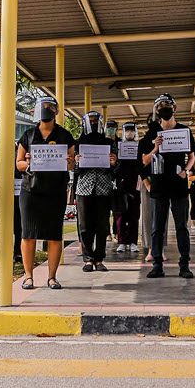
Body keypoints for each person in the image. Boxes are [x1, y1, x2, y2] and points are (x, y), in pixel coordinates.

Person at [16, 96, 75, 290]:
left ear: (57, 111)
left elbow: (72, 162)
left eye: (51, 107)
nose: (47, 109)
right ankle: (28, 276)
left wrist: (69, 162)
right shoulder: (28, 134)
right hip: (30, 191)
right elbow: (19, 164)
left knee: (54, 235)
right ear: (36, 110)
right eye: (44, 106)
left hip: (56, 191)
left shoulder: (65, 135)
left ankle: (52, 277)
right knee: (28, 234)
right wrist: (30, 162)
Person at [140, 94, 195, 279]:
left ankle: (185, 264)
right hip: (159, 185)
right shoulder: (151, 134)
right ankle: (157, 264)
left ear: (175, 108)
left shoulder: (184, 131)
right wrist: (155, 149)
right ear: (156, 110)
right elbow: (144, 161)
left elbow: (193, 155)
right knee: (157, 227)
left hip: (178, 185)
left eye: (168, 105)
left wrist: (186, 170)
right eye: (161, 105)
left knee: (182, 226)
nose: (165, 107)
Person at [75, 111, 118, 272]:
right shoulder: (79, 142)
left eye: (96, 121)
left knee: (102, 225)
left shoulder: (108, 142)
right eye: (90, 121)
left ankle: (99, 259)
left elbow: (115, 169)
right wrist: (78, 162)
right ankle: (88, 259)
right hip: (84, 188)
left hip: (103, 188)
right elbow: (75, 170)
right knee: (84, 225)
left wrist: (113, 162)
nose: (93, 124)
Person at [114, 122, 142, 254]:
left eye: (132, 131)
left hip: (135, 185)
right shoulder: (118, 147)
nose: (130, 133)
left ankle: (133, 242)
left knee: (134, 215)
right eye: (127, 131)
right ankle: (121, 242)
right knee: (120, 216)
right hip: (121, 185)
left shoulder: (139, 146)